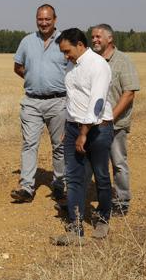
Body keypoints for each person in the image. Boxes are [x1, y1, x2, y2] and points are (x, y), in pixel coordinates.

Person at [51, 28, 114, 245]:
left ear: (80, 44)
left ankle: (104, 218)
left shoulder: (98, 65)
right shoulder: (71, 65)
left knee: (101, 176)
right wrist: (67, 128)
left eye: (67, 51)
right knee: (74, 177)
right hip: (73, 127)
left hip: (97, 129)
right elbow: (72, 99)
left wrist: (83, 134)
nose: (65, 56)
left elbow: (96, 103)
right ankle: (76, 228)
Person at [11, 4, 68, 203]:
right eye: (40, 19)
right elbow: (18, 66)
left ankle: (60, 184)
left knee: (60, 145)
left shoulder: (64, 41)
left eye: (47, 19)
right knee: (29, 144)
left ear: (55, 19)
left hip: (58, 101)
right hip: (32, 102)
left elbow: (73, 68)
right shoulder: (27, 41)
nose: (43, 23)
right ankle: (27, 187)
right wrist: (34, 79)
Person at [91, 24, 140, 216]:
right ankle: (92, 201)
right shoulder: (92, 61)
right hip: (94, 124)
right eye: (92, 37)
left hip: (115, 124)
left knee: (118, 163)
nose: (94, 40)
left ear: (109, 39)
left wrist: (110, 119)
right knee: (94, 164)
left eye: (98, 37)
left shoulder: (122, 61)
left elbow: (129, 94)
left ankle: (122, 201)